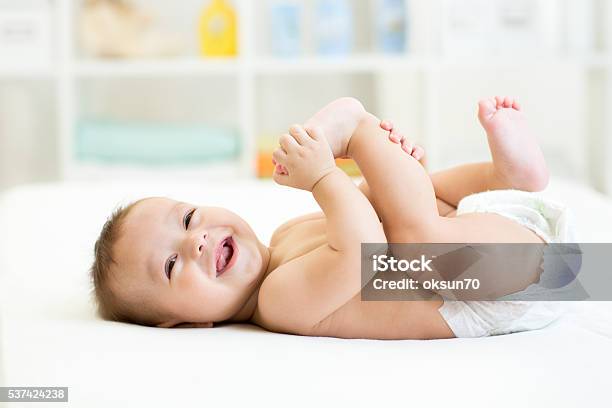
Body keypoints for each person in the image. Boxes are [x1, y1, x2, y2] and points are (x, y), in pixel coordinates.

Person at [91, 96, 567, 339]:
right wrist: (325, 174)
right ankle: (355, 124)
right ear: (183, 325)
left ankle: (505, 178)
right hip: (494, 288)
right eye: (171, 266)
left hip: (490, 246)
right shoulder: (277, 303)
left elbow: (366, 209)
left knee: (429, 197)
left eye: (189, 218)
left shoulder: (285, 235)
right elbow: (368, 252)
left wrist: (393, 172)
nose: (194, 243)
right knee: (418, 246)